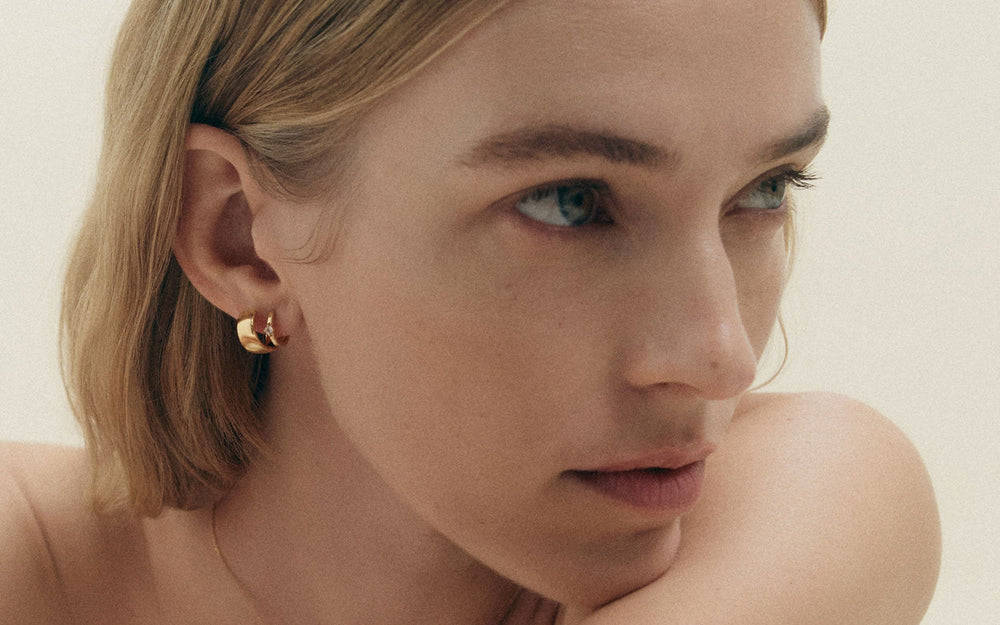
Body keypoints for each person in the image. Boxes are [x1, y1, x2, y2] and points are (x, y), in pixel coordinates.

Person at [0, 0, 941, 623]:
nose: (722, 355)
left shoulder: (815, 500)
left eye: (767, 188)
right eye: (571, 201)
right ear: (238, 236)